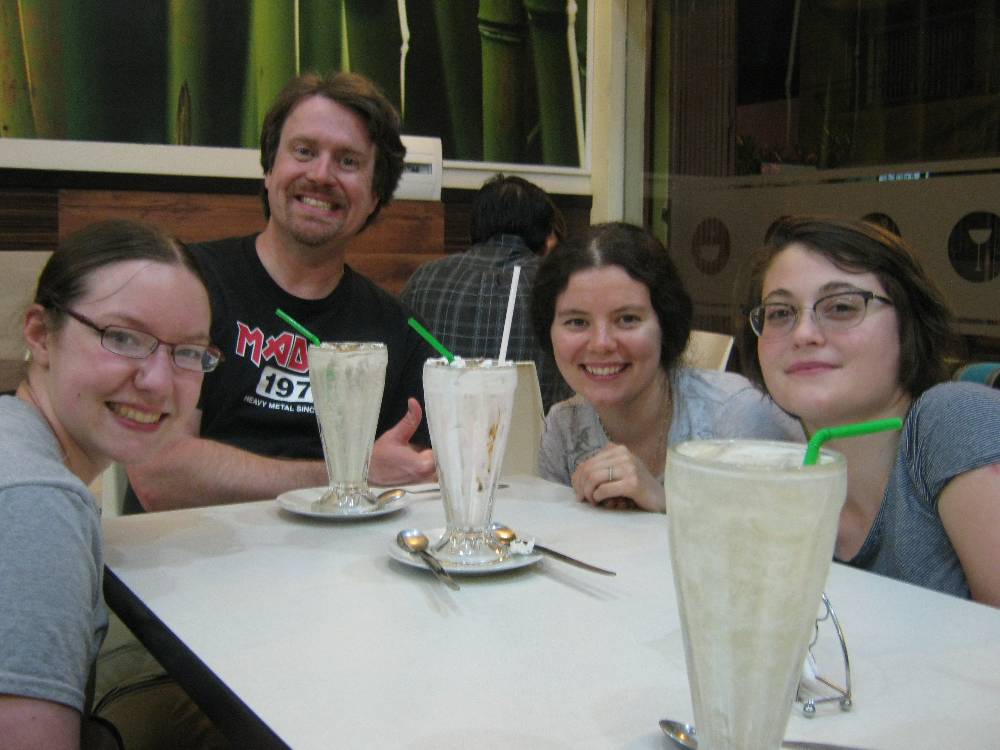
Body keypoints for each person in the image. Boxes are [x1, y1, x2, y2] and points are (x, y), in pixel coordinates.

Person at [127, 71, 436, 512]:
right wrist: (349, 474)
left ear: (374, 197)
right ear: (269, 170)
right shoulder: (188, 285)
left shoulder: (399, 333)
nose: (322, 174)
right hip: (188, 566)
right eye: (304, 151)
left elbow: (414, 484)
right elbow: (159, 475)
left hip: (340, 571)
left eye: (348, 161)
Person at [0, 220, 218, 747]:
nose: (158, 382)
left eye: (188, 352)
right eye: (121, 337)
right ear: (40, 333)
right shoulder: (38, 503)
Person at [737, 215, 1000, 606]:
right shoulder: (787, 483)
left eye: (841, 307)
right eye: (779, 313)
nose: (804, 333)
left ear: (908, 323)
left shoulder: (952, 419)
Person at [531, 222, 801, 512]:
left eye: (627, 319)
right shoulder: (564, 427)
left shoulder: (739, 416)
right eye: (577, 322)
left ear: (666, 324)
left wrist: (664, 504)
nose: (601, 344)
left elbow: (790, 537)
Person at [400, 173, 571, 411]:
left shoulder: (424, 280)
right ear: (544, 237)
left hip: (433, 441)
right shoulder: (561, 287)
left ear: (475, 228)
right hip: (538, 444)